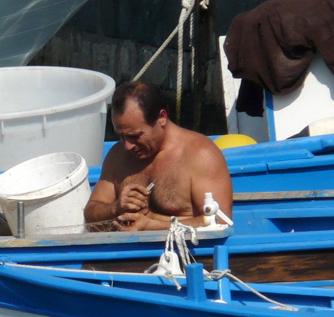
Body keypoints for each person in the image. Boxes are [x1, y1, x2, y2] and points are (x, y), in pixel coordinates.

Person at [84, 81, 232, 231]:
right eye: (121, 136)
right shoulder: (117, 155)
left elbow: (221, 222)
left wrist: (153, 226)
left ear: (161, 118)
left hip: (183, 253)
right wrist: (114, 208)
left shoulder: (200, 155)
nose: (127, 146)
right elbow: (90, 215)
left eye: (135, 136)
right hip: (124, 253)